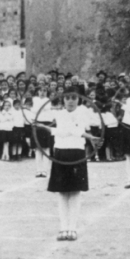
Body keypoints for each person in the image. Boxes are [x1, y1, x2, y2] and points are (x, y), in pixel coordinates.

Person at [36, 92, 100, 241]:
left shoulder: (83, 113)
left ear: (78, 99)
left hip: (77, 152)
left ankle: (72, 228)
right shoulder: (59, 114)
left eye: (74, 98)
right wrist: (46, 127)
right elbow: (64, 131)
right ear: (63, 100)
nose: (70, 101)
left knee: (75, 191)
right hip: (61, 152)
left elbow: (72, 129)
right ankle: (63, 227)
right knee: (62, 192)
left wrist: (90, 136)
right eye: (67, 98)